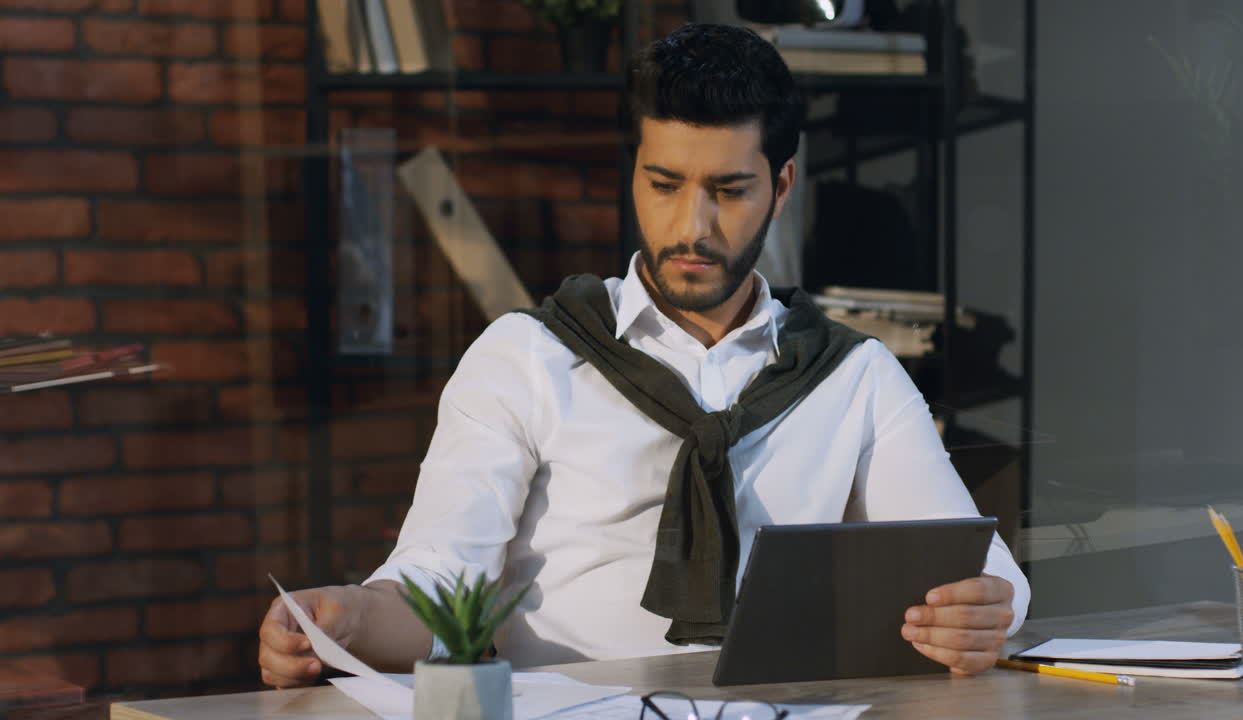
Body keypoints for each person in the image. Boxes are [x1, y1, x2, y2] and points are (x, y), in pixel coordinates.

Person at [259, 22, 1029, 688]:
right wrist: (347, 620)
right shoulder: (526, 357)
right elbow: (437, 591)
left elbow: (975, 564)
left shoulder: (852, 375)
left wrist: (988, 607)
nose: (690, 226)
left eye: (728, 190)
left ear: (782, 185)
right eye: (664, 183)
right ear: (635, 173)